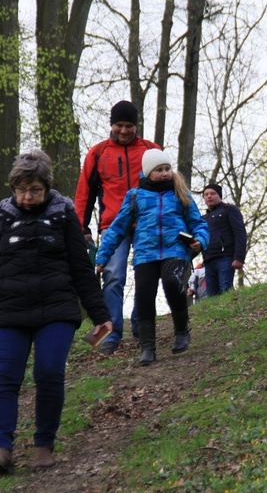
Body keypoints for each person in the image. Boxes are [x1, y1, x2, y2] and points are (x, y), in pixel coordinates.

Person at [0, 150, 113, 474]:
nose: (28, 197)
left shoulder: (63, 214)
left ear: (47, 187)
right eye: (22, 190)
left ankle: (44, 443)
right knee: (3, 377)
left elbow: (81, 269)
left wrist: (100, 313)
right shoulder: (0, 217)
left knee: (48, 371)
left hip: (56, 307)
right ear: (13, 187)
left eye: (35, 190)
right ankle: (2, 450)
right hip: (7, 310)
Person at [96, 149, 209, 366]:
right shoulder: (135, 196)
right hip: (145, 253)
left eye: (167, 169)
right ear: (148, 172)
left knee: (172, 282)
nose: (165, 173)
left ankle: (182, 330)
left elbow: (198, 223)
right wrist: (103, 256)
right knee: (144, 295)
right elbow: (118, 227)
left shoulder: (180, 193)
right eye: (159, 170)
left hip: (175, 249)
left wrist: (200, 240)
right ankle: (147, 346)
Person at [74, 100, 161, 355]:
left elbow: (167, 183)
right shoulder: (98, 152)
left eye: (129, 126)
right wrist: (82, 226)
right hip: (112, 224)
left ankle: (139, 324)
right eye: (119, 125)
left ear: (136, 126)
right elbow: (84, 193)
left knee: (146, 275)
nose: (124, 131)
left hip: (147, 222)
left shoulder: (150, 150)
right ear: (112, 125)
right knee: (113, 276)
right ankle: (111, 333)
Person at [201, 183, 247, 295]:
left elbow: (240, 233)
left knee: (225, 289)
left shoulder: (229, 210)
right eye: (206, 194)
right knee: (211, 295)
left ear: (219, 196)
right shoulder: (203, 218)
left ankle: (231, 311)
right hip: (208, 260)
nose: (209, 196)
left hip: (225, 257)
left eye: (212, 193)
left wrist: (239, 257)